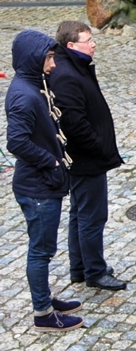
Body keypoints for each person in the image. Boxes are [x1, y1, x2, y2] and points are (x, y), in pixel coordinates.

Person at [5, 30, 84, 332]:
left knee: (44, 249)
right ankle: (42, 312)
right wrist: (50, 161)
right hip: (37, 188)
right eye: (49, 58)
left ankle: (46, 298)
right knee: (41, 250)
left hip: (44, 185)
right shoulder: (24, 96)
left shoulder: (34, 86)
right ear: (34, 59)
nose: (53, 64)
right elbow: (17, 142)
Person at [49, 21, 126, 290]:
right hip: (85, 159)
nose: (93, 44)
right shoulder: (67, 75)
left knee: (80, 214)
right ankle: (94, 270)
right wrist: (99, 146)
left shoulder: (72, 66)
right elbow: (74, 123)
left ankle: (79, 268)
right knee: (92, 216)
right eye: (88, 40)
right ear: (71, 46)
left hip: (83, 157)